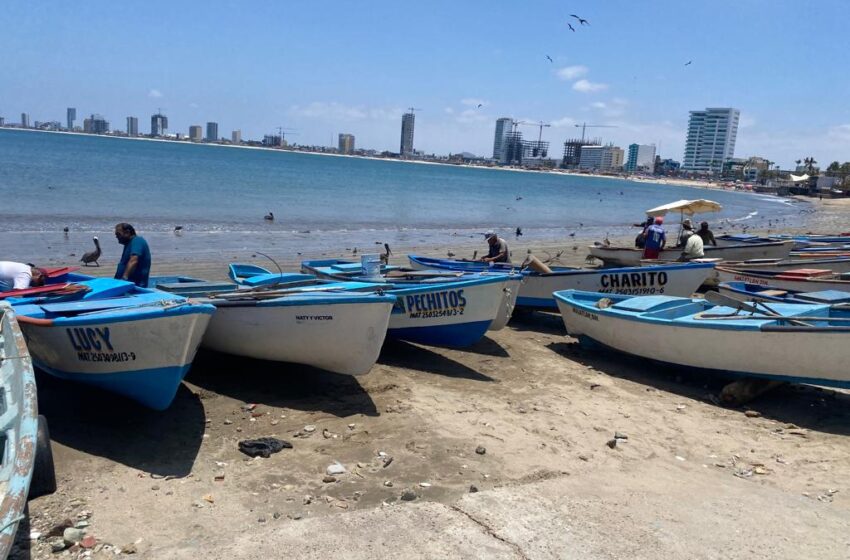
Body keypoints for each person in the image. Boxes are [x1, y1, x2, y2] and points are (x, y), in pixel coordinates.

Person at [114, 223, 151, 287]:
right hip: (125, 285)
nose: (116, 236)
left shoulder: (137, 241)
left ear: (127, 232)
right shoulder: (129, 244)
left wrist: (124, 279)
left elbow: (133, 260)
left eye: (118, 234)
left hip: (135, 286)